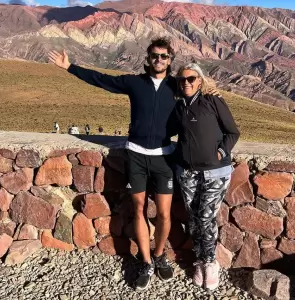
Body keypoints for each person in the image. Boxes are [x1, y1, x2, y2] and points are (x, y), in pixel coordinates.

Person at [48, 38, 179, 291]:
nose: (159, 60)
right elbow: (102, 80)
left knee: (164, 213)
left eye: (164, 56)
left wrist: (212, 88)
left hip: (165, 156)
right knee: (139, 209)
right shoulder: (135, 83)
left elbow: (199, 90)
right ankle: (146, 261)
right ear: (148, 58)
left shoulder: (176, 86)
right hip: (137, 155)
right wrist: (70, 67)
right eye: (154, 56)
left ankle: (160, 254)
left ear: (170, 60)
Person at [168, 63, 240, 291]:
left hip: (215, 172)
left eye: (191, 79)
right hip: (187, 172)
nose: (186, 83)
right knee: (194, 217)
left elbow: (233, 132)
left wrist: (220, 152)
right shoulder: (178, 107)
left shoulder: (213, 101)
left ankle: (210, 263)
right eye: (182, 80)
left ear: (199, 81)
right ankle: (200, 260)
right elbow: (165, 130)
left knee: (206, 217)